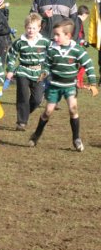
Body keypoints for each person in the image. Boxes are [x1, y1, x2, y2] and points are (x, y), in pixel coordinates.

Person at [29, 19, 98, 152]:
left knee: (73, 109)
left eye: (57, 35)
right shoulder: (52, 49)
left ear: (68, 36)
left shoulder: (77, 49)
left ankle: (76, 139)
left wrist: (93, 83)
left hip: (70, 86)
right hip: (54, 85)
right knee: (48, 111)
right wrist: (43, 73)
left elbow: (88, 65)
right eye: (54, 34)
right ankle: (36, 135)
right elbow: (47, 65)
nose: (54, 37)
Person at [6, 13, 50, 131]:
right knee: (23, 97)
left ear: (39, 28)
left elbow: (50, 57)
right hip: (23, 71)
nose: (31, 30)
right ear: (25, 27)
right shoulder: (19, 42)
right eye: (29, 28)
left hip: (38, 72)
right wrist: (10, 70)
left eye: (34, 28)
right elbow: (11, 56)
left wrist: (46, 70)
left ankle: (24, 113)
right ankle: (21, 122)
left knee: (37, 99)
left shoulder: (45, 42)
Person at [75, 5, 90, 89]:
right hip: (77, 46)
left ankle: (79, 81)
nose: (86, 19)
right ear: (84, 14)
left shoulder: (77, 21)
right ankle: (78, 81)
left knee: (82, 63)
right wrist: (83, 42)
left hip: (78, 45)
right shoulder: (78, 22)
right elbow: (76, 36)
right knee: (85, 62)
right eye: (86, 17)